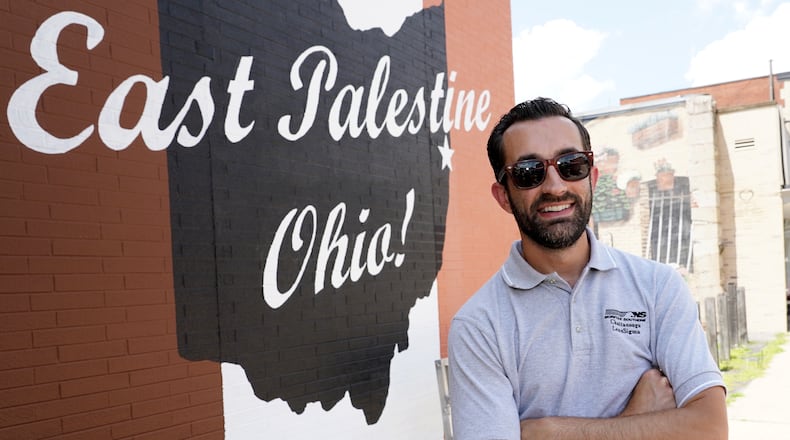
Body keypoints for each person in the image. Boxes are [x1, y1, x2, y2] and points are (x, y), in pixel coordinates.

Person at [447, 98, 727, 439]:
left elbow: (709, 428)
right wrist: (635, 415)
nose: (555, 186)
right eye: (528, 173)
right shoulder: (479, 326)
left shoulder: (657, 287)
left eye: (571, 165)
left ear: (591, 176)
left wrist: (549, 432)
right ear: (503, 196)